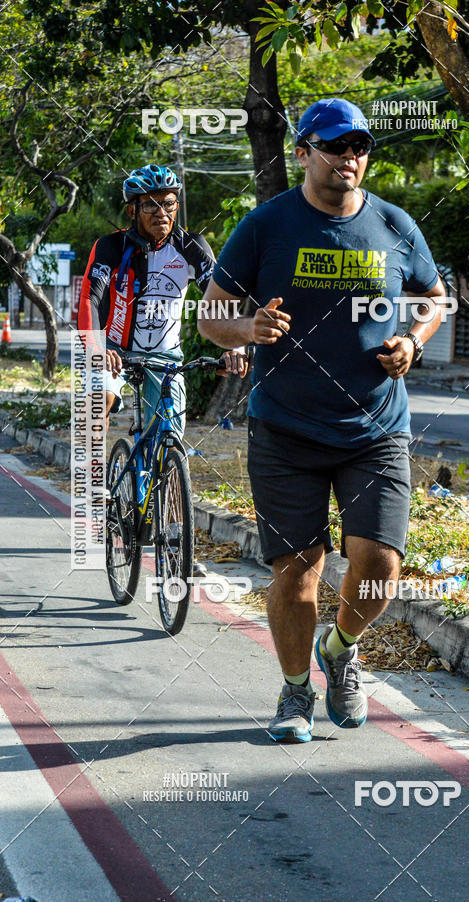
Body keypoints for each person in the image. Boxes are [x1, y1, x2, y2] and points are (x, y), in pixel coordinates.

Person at [197, 99, 446, 742]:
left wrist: (414, 342)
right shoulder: (266, 225)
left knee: (381, 565)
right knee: (298, 572)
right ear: (303, 152)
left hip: (376, 428)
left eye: (359, 146)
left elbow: (434, 297)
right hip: (285, 430)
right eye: (335, 146)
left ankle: (340, 649)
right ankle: (294, 691)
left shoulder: (395, 224)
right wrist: (246, 328)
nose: (349, 158)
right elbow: (208, 313)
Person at [77, 163, 248, 436]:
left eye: (168, 204)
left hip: (165, 355)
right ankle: (90, 471)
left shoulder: (191, 247)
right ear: (132, 210)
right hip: (113, 348)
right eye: (150, 205)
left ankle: (167, 474)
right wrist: (97, 348)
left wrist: (236, 347)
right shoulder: (110, 247)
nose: (161, 213)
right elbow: (89, 299)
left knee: (169, 434)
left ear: (177, 207)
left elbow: (219, 301)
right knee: (97, 404)